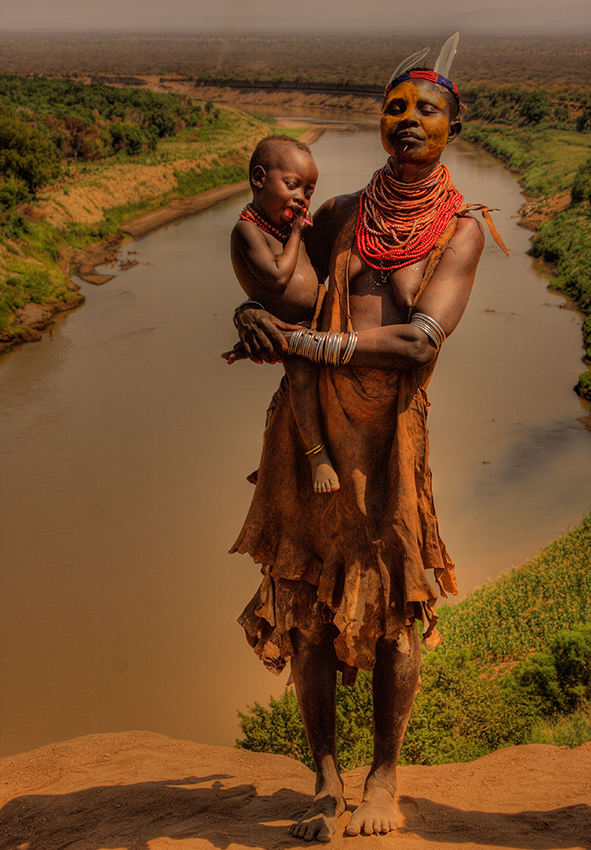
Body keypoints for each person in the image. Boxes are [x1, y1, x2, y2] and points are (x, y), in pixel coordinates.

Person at [229, 34, 508, 843]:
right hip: (306, 427)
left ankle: (384, 775)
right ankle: (324, 778)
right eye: (396, 109)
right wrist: (252, 318)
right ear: (378, 122)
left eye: (428, 110)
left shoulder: (458, 227)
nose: (409, 121)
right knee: (307, 602)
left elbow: (421, 341)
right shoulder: (344, 214)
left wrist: (311, 345)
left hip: (389, 437)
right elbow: (289, 292)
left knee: (397, 603)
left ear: (455, 124)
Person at [230, 135, 340, 493]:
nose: (302, 198)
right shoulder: (248, 230)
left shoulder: (279, 228)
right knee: (303, 382)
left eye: (308, 191)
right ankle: (316, 455)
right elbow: (277, 278)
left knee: (300, 388)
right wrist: (296, 234)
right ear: (259, 178)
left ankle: (284, 456)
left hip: (318, 318)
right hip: (290, 331)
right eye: (292, 185)